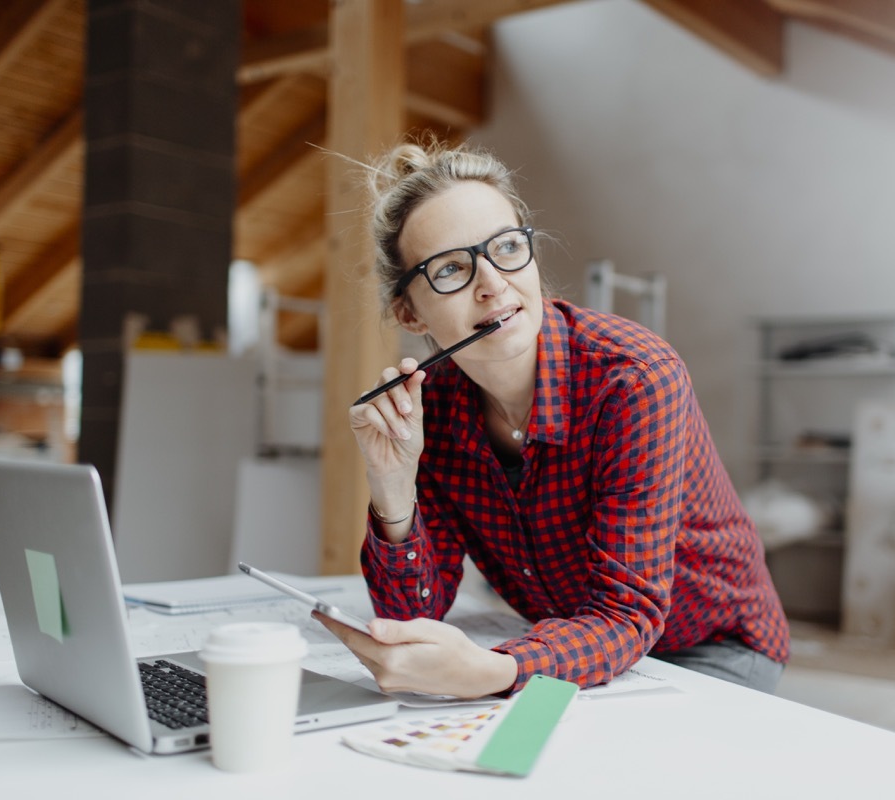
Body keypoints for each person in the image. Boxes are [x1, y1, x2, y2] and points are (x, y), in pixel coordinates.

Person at [317, 139, 789, 699]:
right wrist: (393, 487)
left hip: (708, 645)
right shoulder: (432, 411)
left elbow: (626, 613)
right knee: (499, 766)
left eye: (507, 247)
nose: (493, 283)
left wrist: (494, 671)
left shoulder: (634, 378)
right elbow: (412, 614)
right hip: (570, 643)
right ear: (409, 311)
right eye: (450, 268)